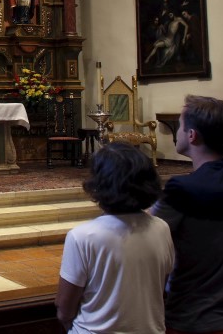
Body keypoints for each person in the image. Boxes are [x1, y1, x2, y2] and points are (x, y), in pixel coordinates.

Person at [151, 95, 223, 333]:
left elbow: (145, 238)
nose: (179, 133)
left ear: (192, 135)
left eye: (181, 126)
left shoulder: (182, 190)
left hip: (193, 322)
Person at [55, 142, 174, 333]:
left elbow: (64, 308)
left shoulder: (82, 236)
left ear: (99, 184)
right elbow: (160, 286)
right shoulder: (161, 228)